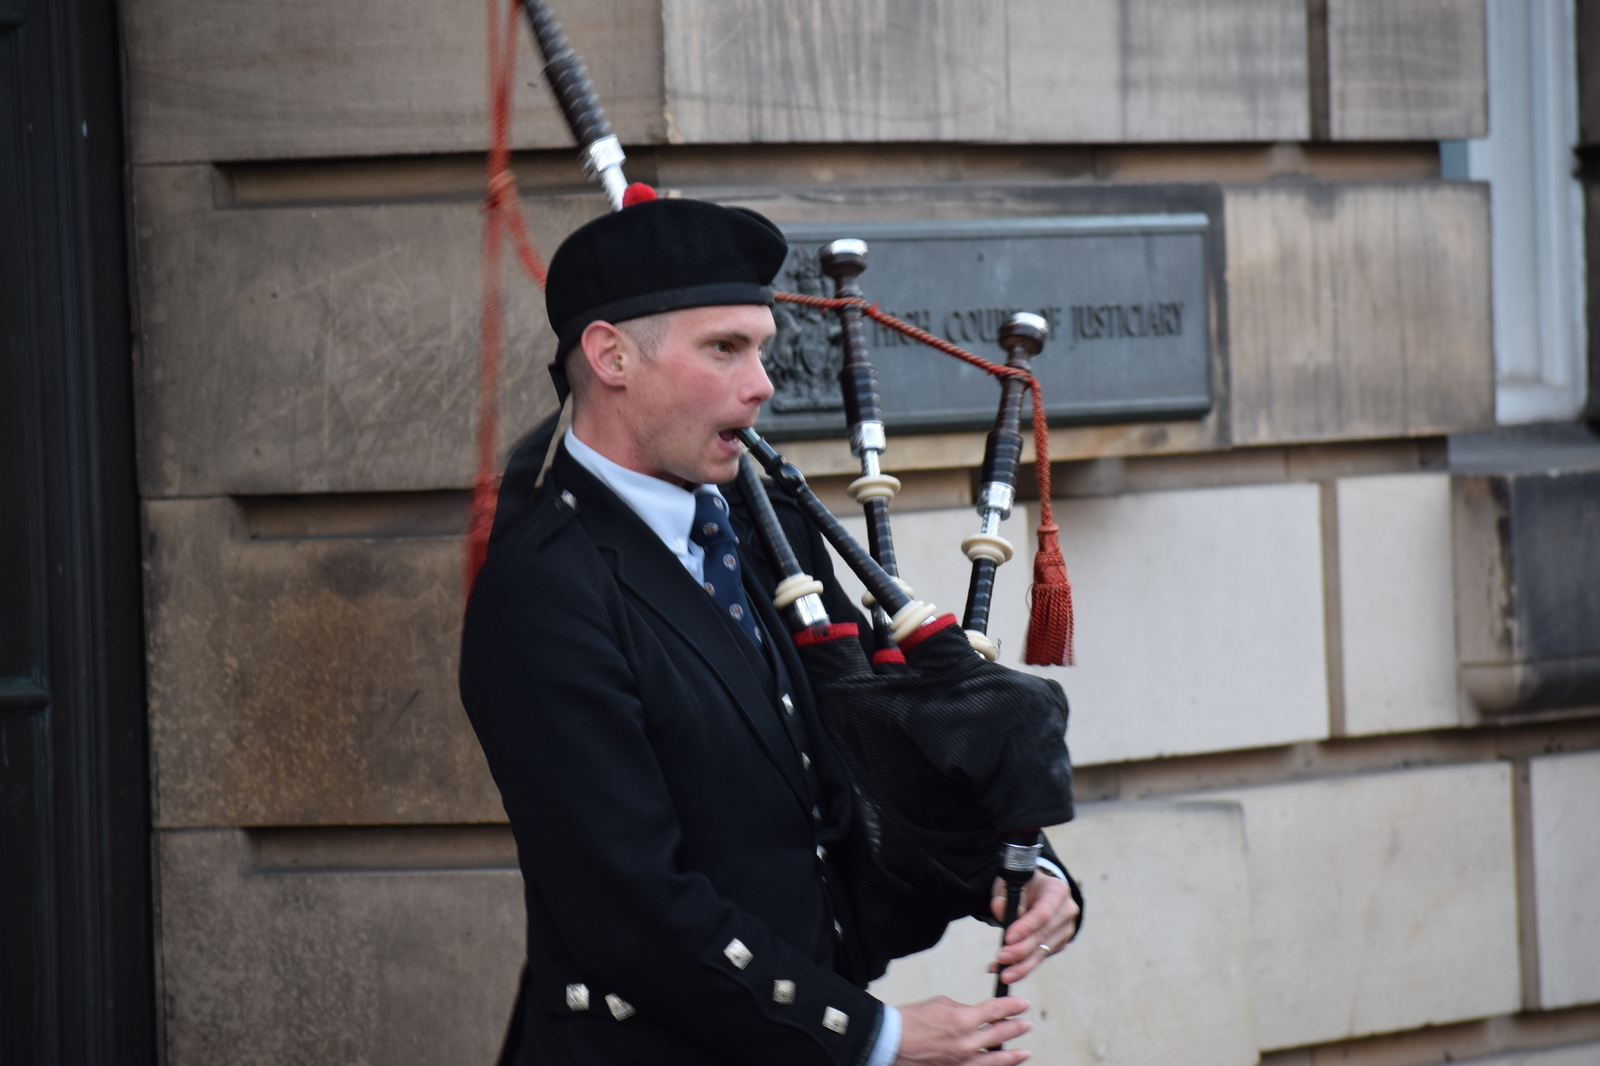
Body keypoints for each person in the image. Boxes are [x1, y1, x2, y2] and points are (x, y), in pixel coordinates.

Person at [459, 195, 1081, 1066]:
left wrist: (1018, 863)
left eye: (763, 349)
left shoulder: (763, 527)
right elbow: (631, 908)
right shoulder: (548, 589)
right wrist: (876, 1036)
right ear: (610, 357)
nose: (763, 385)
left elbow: (869, 749)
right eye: (726, 349)